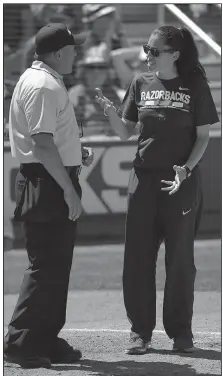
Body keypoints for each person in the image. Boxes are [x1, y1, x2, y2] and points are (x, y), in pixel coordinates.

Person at [95, 25, 219, 355]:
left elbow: (203, 137)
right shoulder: (140, 83)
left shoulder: (195, 85)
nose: (146, 56)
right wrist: (110, 112)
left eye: (153, 51)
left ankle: (181, 333)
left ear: (174, 54)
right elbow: (125, 131)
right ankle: (140, 332)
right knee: (137, 259)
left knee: (180, 261)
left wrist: (187, 168)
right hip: (144, 179)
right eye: (146, 50)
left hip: (180, 180)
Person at [4, 23, 94, 369]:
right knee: (45, 267)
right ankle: (20, 343)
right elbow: (41, 143)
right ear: (58, 53)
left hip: (48, 177)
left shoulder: (40, 79)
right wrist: (69, 189)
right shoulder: (43, 85)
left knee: (55, 267)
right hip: (48, 183)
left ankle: (43, 337)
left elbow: (49, 140)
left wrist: (75, 153)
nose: (77, 52)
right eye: (73, 48)